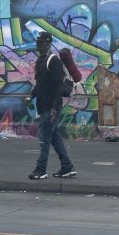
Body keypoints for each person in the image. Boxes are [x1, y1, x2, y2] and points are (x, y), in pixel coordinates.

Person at [28, 32, 76, 180]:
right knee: (54, 137)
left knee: (44, 139)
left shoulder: (53, 61)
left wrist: (55, 108)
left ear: (48, 43)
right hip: (43, 105)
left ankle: (41, 169)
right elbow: (40, 84)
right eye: (37, 42)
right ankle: (67, 167)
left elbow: (58, 86)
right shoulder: (40, 61)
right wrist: (31, 95)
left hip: (51, 107)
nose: (38, 45)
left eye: (41, 42)